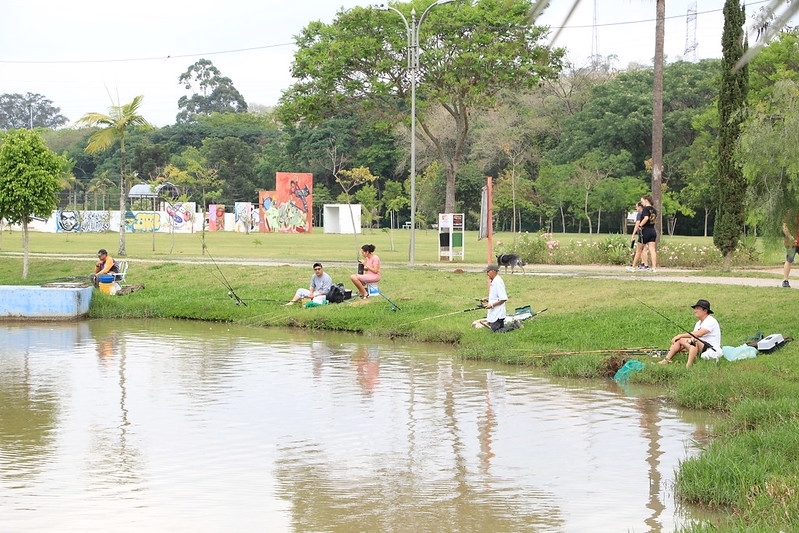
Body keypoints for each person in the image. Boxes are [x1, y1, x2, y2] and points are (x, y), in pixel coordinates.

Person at [659, 299, 722, 367]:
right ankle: (666, 360)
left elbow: (699, 334)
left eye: (698, 309)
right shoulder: (698, 323)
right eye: (695, 309)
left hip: (710, 348)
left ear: (705, 311)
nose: (695, 311)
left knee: (693, 340)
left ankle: (688, 365)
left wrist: (680, 335)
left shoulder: (711, 321)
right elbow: (693, 336)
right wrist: (682, 344)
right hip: (700, 346)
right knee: (679, 340)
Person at [630, 194, 657, 272]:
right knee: (652, 250)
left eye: (642, 201)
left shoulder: (645, 209)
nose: (642, 203)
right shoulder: (654, 210)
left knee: (639, 250)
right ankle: (654, 267)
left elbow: (646, 218)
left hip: (645, 231)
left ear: (646, 200)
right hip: (652, 231)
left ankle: (633, 266)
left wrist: (640, 225)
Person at [481, 264, 508, 332]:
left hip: (498, 313)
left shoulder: (498, 282)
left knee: (497, 331)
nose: (487, 274)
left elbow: (503, 298)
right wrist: (487, 299)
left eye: (488, 272)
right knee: (495, 331)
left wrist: (492, 305)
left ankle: (515, 326)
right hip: (494, 312)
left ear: (493, 271)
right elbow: (496, 296)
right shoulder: (494, 281)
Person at [627, 202, 649, 271]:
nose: (636, 208)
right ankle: (643, 263)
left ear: (640, 207)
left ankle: (645, 265)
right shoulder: (647, 213)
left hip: (642, 232)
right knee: (644, 248)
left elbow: (637, 224)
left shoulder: (640, 214)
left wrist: (633, 234)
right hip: (648, 232)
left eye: (636, 207)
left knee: (642, 249)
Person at [781, 212, 799, 288]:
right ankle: (785, 281)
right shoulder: (790, 212)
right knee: (789, 259)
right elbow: (784, 227)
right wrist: (791, 238)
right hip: (790, 243)